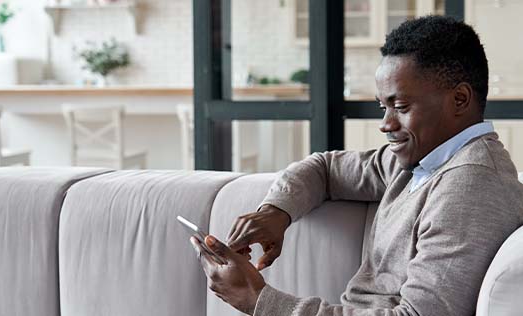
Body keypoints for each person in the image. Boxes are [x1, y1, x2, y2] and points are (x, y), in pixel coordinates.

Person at [190, 15, 523, 316]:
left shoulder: (470, 189)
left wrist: (256, 298)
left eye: (401, 106)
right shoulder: (420, 161)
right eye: (383, 107)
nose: (386, 123)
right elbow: (325, 168)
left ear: (460, 100)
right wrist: (276, 213)